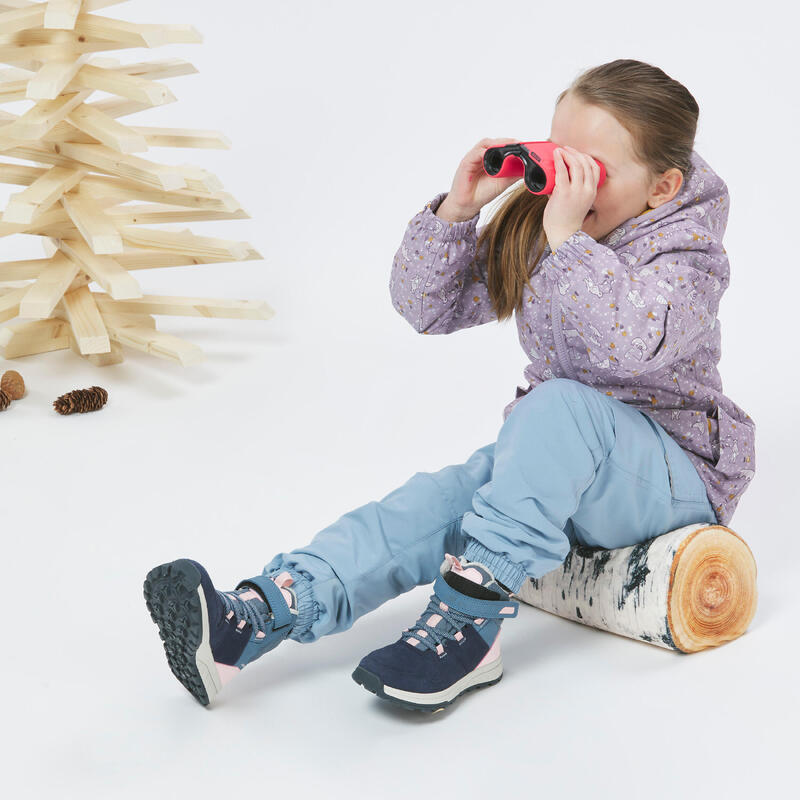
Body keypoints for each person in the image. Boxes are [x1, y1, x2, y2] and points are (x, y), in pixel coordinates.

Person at [143, 59, 756, 714]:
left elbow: (627, 344)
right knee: (430, 505)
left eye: (591, 171)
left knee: (555, 411)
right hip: (555, 469)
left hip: (671, 482)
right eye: (556, 157)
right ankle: (255, 618)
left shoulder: (689, 257)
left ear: (662, 187)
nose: (563, 184)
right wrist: (458, 208)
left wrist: (569, 240)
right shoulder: (550, 222)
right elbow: (425, 308)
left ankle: (470, 624)